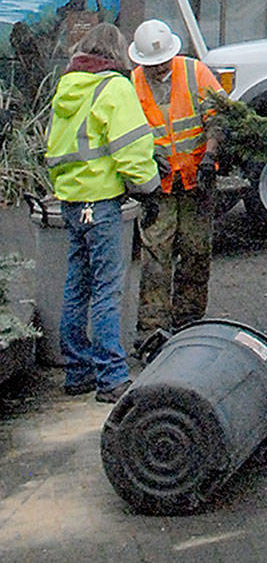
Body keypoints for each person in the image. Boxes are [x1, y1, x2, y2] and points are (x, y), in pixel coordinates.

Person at [44, 23, 159, 403]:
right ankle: (112, 378)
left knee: (76, 288)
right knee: (108, 290)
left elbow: (60, 149)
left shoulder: (67, 89)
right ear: (117, 54)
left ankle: (78, 372)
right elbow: (130, 145)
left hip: (73, 202)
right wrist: (148, 188)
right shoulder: (114, 88)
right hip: (103, 204)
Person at [128, 19, 224, 341]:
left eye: (163, 61)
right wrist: (148, 157)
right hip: (160, 188)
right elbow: (129, 133)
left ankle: (189, 324)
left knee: (196, 253)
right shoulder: (134, 83)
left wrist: (210, 154)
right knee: (156, 259)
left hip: (198, 179)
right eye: (152, 65)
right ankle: (151, 332)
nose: (159, 69)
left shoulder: (195, 72)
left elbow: (220, 115)